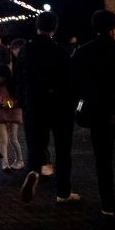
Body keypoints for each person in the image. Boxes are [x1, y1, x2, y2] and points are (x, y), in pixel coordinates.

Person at [70, 9, 115, 218]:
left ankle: (107, 203)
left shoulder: (82, 53)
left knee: (103, 159)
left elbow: (75, 84)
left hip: (96, 113)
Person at [16, 11, 79, 204]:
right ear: (55, 28)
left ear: (37, 25)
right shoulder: (60, 51)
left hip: (34, 105)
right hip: (59, 106)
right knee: (62, 150)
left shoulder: (25, 50)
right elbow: (71, 81)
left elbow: (17, 79)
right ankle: (63, 192)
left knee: (35, 145)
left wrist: (24, 102)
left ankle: (34, 171)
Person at [0, 65, 24, 170]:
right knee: (3, 140)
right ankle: (5, 163)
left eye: (1, 76)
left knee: (13, 139)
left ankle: (20, 160)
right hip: (0, 115)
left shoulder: (13, 86)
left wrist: (7, 104)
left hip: (13, 115)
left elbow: (18, 101)